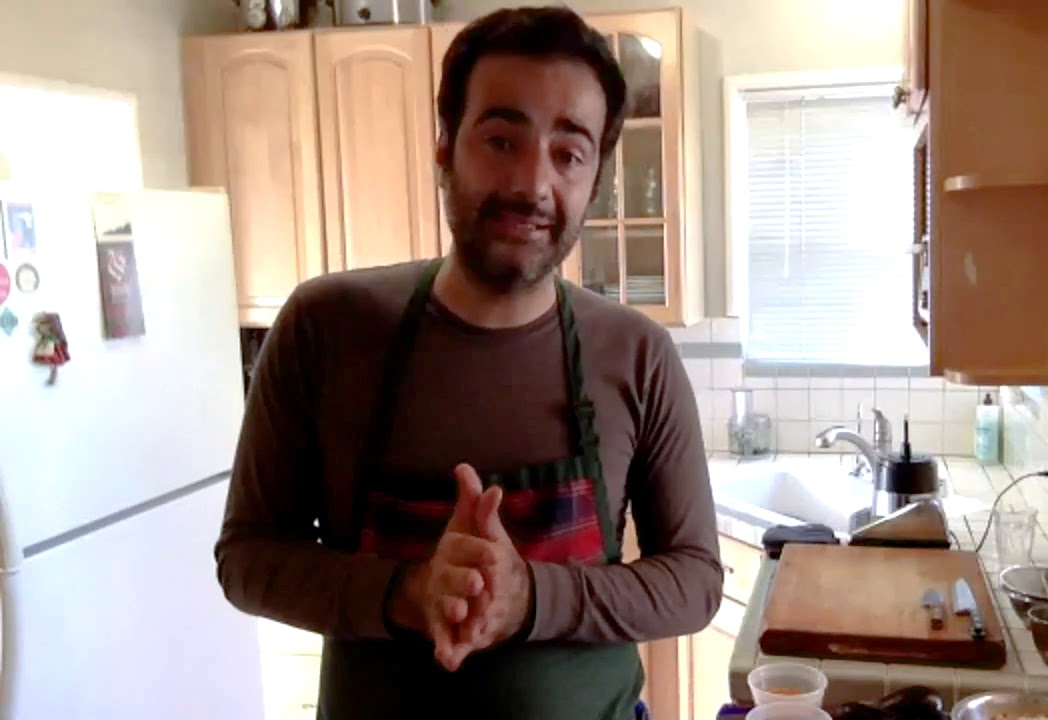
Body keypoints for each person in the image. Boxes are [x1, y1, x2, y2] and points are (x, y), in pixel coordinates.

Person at [214, 6, 723, 719]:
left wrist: (532, 597)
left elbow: (696, 581)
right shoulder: (325, 328)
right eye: (501, 140)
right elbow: (247, 560)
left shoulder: (638, 355)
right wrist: (409, 592)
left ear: (595, 177)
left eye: (568, 153)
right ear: (445, 145)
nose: (532, 185)